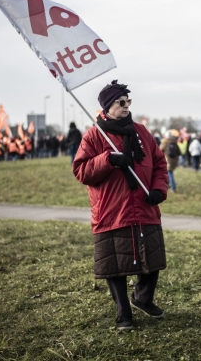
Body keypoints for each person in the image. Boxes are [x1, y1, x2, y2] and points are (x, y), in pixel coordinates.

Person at [73, 80, 168, 331]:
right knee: (115, 267)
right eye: (121, 102)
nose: (126, 106)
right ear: (107, 107)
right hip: (111, 210)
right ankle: (123, 313)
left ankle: (142, 298)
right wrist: (108, 159)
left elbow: (159, 162)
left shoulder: (141, 132)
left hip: (145, 207)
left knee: (152, 261)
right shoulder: (94, 135)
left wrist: (159, 188)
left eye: (128, 101)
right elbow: (81, 171)